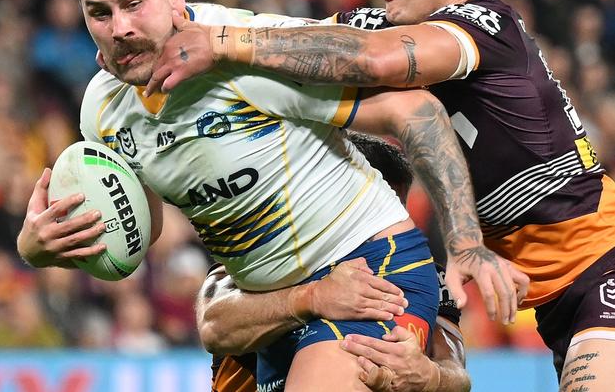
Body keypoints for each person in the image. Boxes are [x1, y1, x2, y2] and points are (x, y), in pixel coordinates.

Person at [16, 0, 524, 392]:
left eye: (133, 4)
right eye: (99, 14)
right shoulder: (102, 109)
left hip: (364, 269)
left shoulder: (244, 56)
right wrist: (50, 244)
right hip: (265, 307)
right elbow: (140, 229)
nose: (119, 28)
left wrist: (465, 241)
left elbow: (416, 111)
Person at [145, 0, 615, 387]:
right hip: (533, 280)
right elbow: (289, 40)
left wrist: (220, 39)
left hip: (597, 256)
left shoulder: (488, 23)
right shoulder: (371, 24)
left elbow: (379, 60)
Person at [201, 132, 470, 392]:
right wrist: (312, 297)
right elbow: (214, 326)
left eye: (400, 212)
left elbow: (457, 373)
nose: (392, 225)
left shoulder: (422, 275)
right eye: (380, 208)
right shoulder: (260, 265)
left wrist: (432, 377)